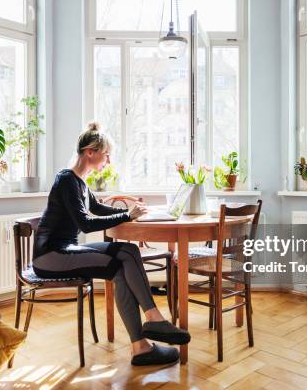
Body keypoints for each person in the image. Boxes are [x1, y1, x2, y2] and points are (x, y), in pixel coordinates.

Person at [33, 122, 190, 366]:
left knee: (125, 258)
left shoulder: (79, 182)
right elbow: (86, 223)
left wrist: (133, 211)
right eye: (106, 155)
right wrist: (127, 216)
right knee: (126, 254)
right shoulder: (66, 179)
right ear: (90, 152)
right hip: (51, 256)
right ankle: (153, 320)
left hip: (66, 251)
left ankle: (141, 345)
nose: (108, 161)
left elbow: (96, 208)